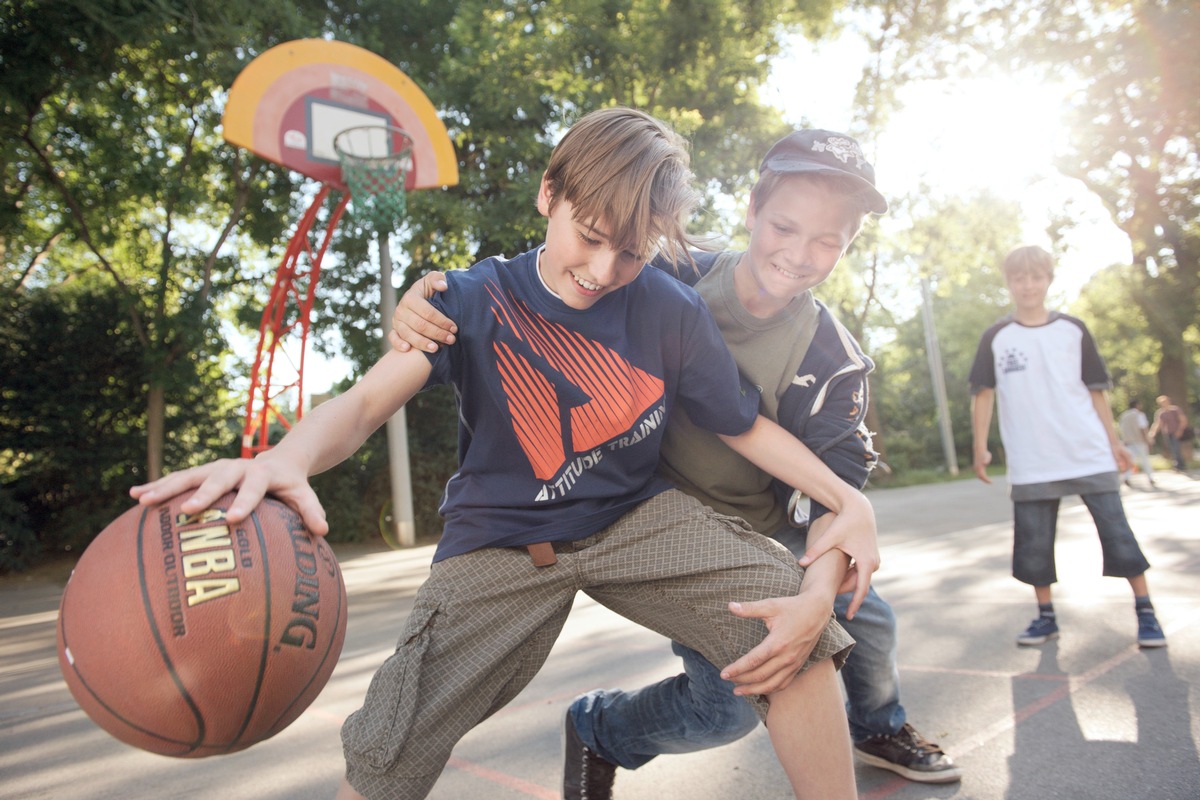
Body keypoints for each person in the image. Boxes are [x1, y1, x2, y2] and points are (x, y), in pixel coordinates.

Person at [131, 108, 880, 800]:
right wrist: (283, 460)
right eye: (589, 235)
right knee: (392, 739)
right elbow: (364, 403)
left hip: (632, 518)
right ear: (549, 193)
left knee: (796, 632)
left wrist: (849, 499)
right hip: (500, 538)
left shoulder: (666, 305)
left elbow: (741, 425)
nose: (602, 268)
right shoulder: (471, 299)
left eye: (631, 251)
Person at [391, 129, 961, 791]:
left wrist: (817, 592)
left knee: (859, 618)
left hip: (766, 526)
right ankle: (602, 726)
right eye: (784, 226)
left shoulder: (836, 362)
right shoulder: (660, 273)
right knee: (730, 710)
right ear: (751, 210)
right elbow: (547, 282)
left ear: (849, 244)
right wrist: (434, 303)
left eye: (828, 241)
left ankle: (880, 724)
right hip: (652, 512)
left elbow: (835, 500)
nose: (800, 254)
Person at [969, 244, 1166, 650]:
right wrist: (979, 447)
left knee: (1118, 534)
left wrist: (1114, 444)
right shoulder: (996, 337)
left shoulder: (1072, 330)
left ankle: (1146, 612)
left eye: (1035, 277)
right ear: (1009, 283)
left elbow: (1096, 393)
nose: (1028, 285)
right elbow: (983, 394)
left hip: (1087, 451)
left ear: (1048, 279)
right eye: (1019, 278)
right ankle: (1045, 618)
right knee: (1033, 545)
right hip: (1031, 459)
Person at [1117, 398, 1155, 488]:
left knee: (1130, 460)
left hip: (1128, 441)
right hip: (1139, 440)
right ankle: (1150, 477)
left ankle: (1126, 476)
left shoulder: (1124, 416)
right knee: (1145, 460)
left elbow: (1121, 429)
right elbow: (1143, 428)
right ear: (1137, 405)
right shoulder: (1139, 415)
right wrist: (1148, 440)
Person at [1149, 394, 1189, 471]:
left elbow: (1183, 420)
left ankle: (1179, 465)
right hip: (1168, 433)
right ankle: (1179, 465)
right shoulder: (1161, 413)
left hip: (1176, 432)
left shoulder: (1175, 410)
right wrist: (1153, 433)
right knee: (1173, 449)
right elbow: (1158, 424)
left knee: (1176, 448)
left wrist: (1179, 431)